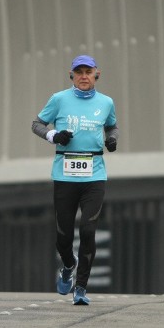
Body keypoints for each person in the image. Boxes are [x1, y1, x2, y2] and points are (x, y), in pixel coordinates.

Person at [32, 55, 118, 306]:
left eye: (88, 72)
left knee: (89, 231)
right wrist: (54, 135)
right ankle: (68, 265)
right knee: (63, 235)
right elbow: (36, 124)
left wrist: (112, 140)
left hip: (94, 174)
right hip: (65, 174)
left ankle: (80, 287)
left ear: (96, 74)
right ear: (71, 75)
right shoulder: (59, 99)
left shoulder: (106, 102)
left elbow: (112, 127)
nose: (83, 76)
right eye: (78, 72)